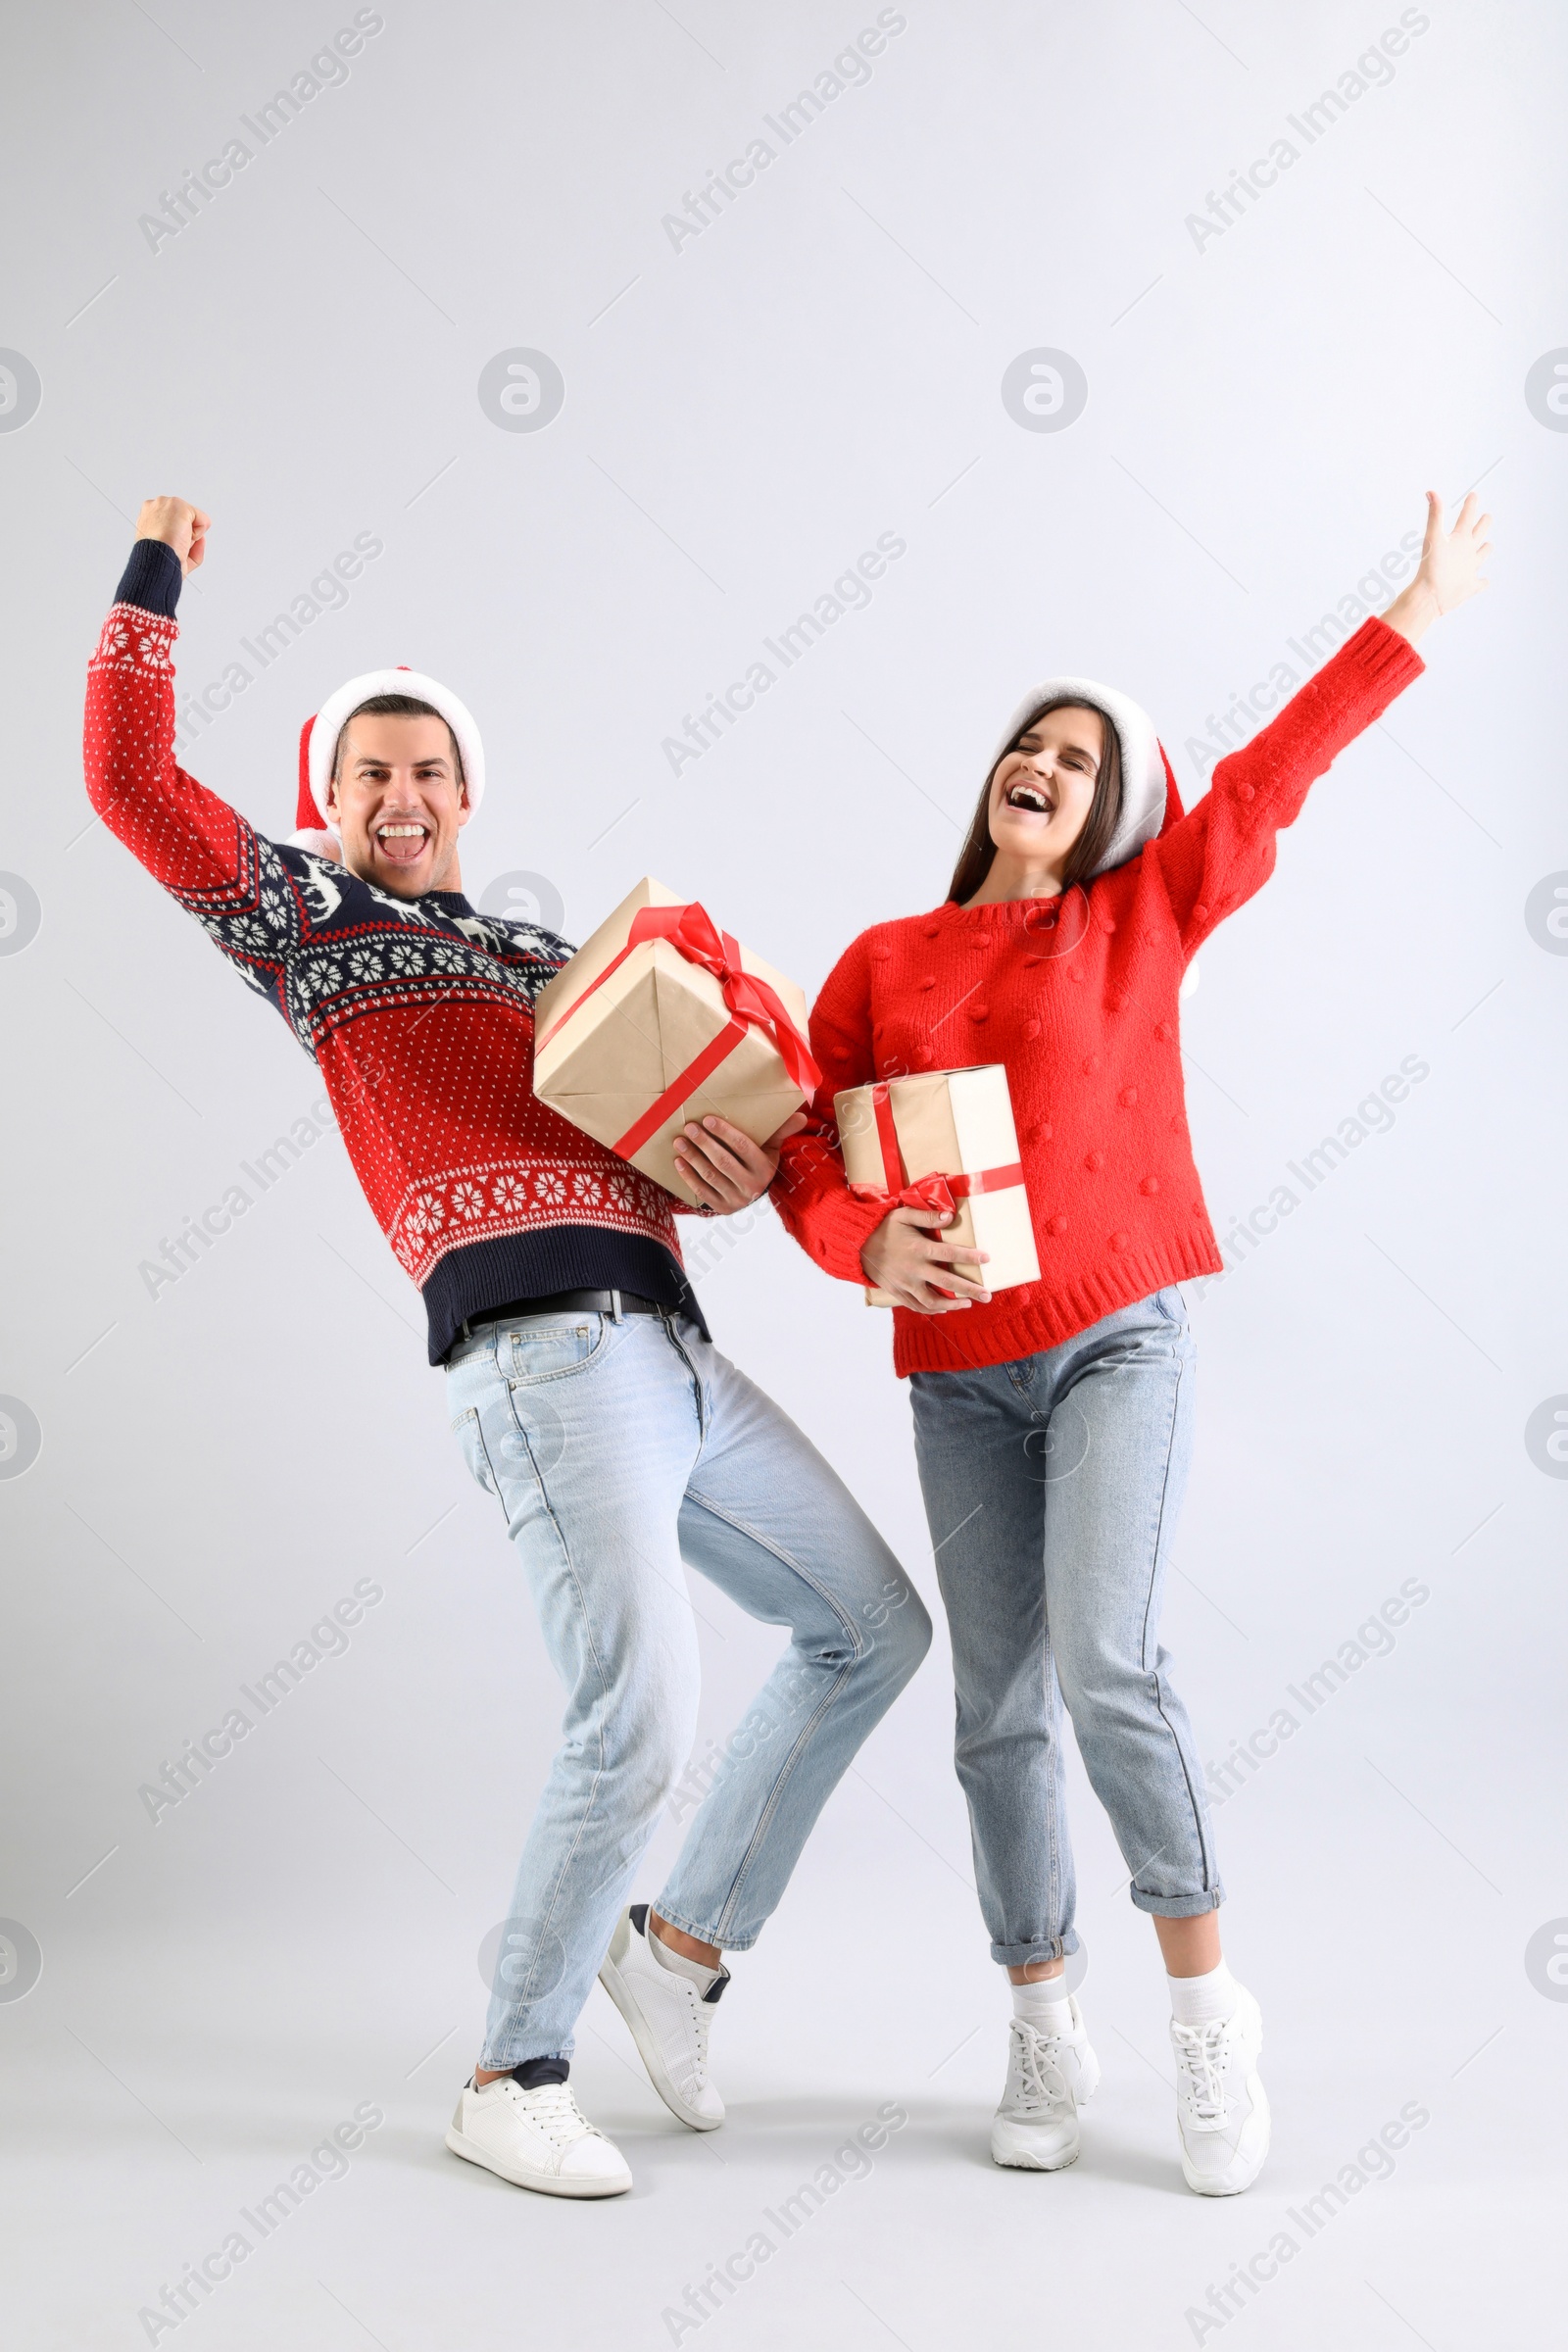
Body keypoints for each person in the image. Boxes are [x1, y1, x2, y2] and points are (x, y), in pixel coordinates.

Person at [83, 498, 931, 2200]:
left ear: (471, 797)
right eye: (367, 775)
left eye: (430, 771)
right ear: (332, 803)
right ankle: (512, 2067)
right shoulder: (310, 937)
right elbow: (130, 783)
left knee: (872, 1628)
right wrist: (156, 570)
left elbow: (726, 1134)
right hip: (547, 1365)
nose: (401, 797)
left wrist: (740, 1156)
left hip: (681, 1353)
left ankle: (677, 1952)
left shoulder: (557, 964)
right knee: (640, 1709)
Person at [758, 491, 1492, 2194]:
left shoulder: (1139, 916)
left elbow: (1269, 779)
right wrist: (866, 1240)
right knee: (993, 1709)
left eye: (1081, 757)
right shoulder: (882, 961)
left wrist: (1417, 608)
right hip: (956, 1379)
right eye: (1031, 740)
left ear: (1114, 814)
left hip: (1112, 1346)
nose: (1045, 760)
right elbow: (808, 1149)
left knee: (1107, 1670)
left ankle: (1207, 2019)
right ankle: (1039, 2015)